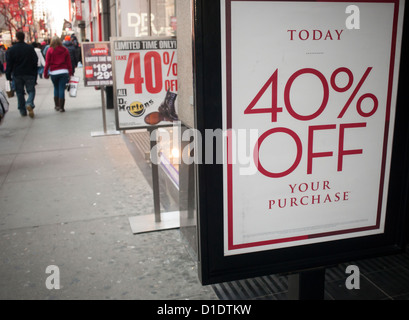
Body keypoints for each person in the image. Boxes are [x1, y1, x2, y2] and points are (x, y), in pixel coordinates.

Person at [5, 32, 38, 118]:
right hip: (29, 73)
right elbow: (35, 60)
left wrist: (8, 75)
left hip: (17, 73)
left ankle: (22, 110)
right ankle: (29, 103)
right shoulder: (30, 48)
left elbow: (9, 64)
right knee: (31, 90)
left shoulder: (12, 49)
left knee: (19, 92)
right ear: (24, 38)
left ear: (16, 38)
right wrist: (35, 72)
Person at [44, 36, 73, 112]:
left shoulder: (50, 50)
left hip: (54, 72)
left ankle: (56, 105)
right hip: (64, 72)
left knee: (56, 88)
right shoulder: (65, 50)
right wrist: (70, 72)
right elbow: (69, 62)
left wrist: (45, 73)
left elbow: (47, 63)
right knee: (61, 89)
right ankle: (61, 107)